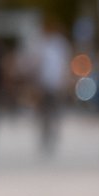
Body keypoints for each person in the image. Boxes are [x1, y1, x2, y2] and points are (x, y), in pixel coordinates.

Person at [34, 21, 72, 155]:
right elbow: (37, 64)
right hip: (45, 84)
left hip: (56, 83)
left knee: (55, 110)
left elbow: (64, 64)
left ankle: (53, 133)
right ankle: (45, 134)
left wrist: (64, 80)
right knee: (44, 111)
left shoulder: (60, 45)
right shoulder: (42, 44)